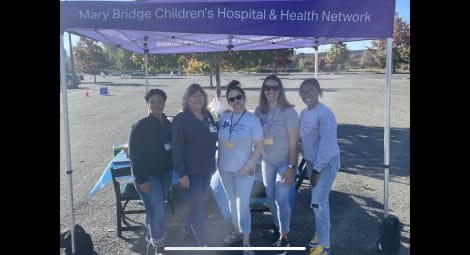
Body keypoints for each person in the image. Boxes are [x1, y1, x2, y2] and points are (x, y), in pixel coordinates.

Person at [217, 80, 264, 255]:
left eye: (239, 97)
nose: (236, 101)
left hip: (244, 169)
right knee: (231, 201)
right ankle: (237, 230)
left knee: (242, 204)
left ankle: (246, 241)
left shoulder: (253, 120)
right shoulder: (223, 118)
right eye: (232, 99)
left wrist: (249, 164)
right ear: (228, 102)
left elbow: (259, 146)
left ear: (244, 98)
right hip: (224, 168)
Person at [255, 74, 299, 255]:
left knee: (282, 198)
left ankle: (284, 237)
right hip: (267, 162)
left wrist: (290, 168)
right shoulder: (259, 111)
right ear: (263, 91)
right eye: (267, 88)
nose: (271, 91)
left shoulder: (289, 112)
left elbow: (294, 143)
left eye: (275, 87)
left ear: (280, 90)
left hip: (284, 163)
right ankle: (277, 225)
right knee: (271, 198)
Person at [171, 83, 218, 246]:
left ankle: (186, 226)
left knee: (199, 203)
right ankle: (203, 242)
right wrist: (182, 173)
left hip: (207, 169)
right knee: (198, 205)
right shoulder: (181, 119)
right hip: (191, 172)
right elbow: (176, 148)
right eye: (193, 96)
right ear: (187, 99)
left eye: (200, 95)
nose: (197, 99)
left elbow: (215, 137)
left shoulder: (208, 116)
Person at [128, 88, 173, 255]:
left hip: (165, 174)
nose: (156, 105)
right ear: (147, 104)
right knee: (158, 209)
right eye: (152, 102)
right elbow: (134, 156)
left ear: (164, 103)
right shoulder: (139, 126)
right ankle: (159, 245)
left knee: (154, 209)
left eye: (159, 101)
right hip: (147, 177)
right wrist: (142, 180)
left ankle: (152, 234)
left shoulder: (168, 123)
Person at [298, 78, 341, 255]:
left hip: (324, 164)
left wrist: (316, 170)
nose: (307, 95)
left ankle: (325, 246)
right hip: (311, 162)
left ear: (318, 91)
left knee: (318, 203)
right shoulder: (304, 113)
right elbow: (303, 137)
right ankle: (320, 234)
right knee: (317, 203)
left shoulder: (325, 113)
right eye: (303, 91)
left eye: (311, 91)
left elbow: (327, 145)